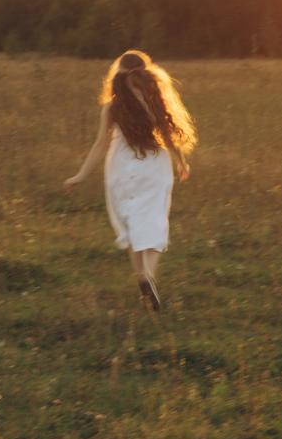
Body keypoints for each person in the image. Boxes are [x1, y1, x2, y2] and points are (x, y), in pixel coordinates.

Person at [63, 49, 197, 310]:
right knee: (154, 222)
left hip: (122, 169)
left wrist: (80, 175)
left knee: (130, 224)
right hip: (154, 168)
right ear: (147, 73)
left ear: (118, 73)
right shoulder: (155, 100)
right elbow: (168, 136)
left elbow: (100, 145)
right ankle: (149, 275)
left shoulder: (112, 108)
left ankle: (141, 278)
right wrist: (181, 161)